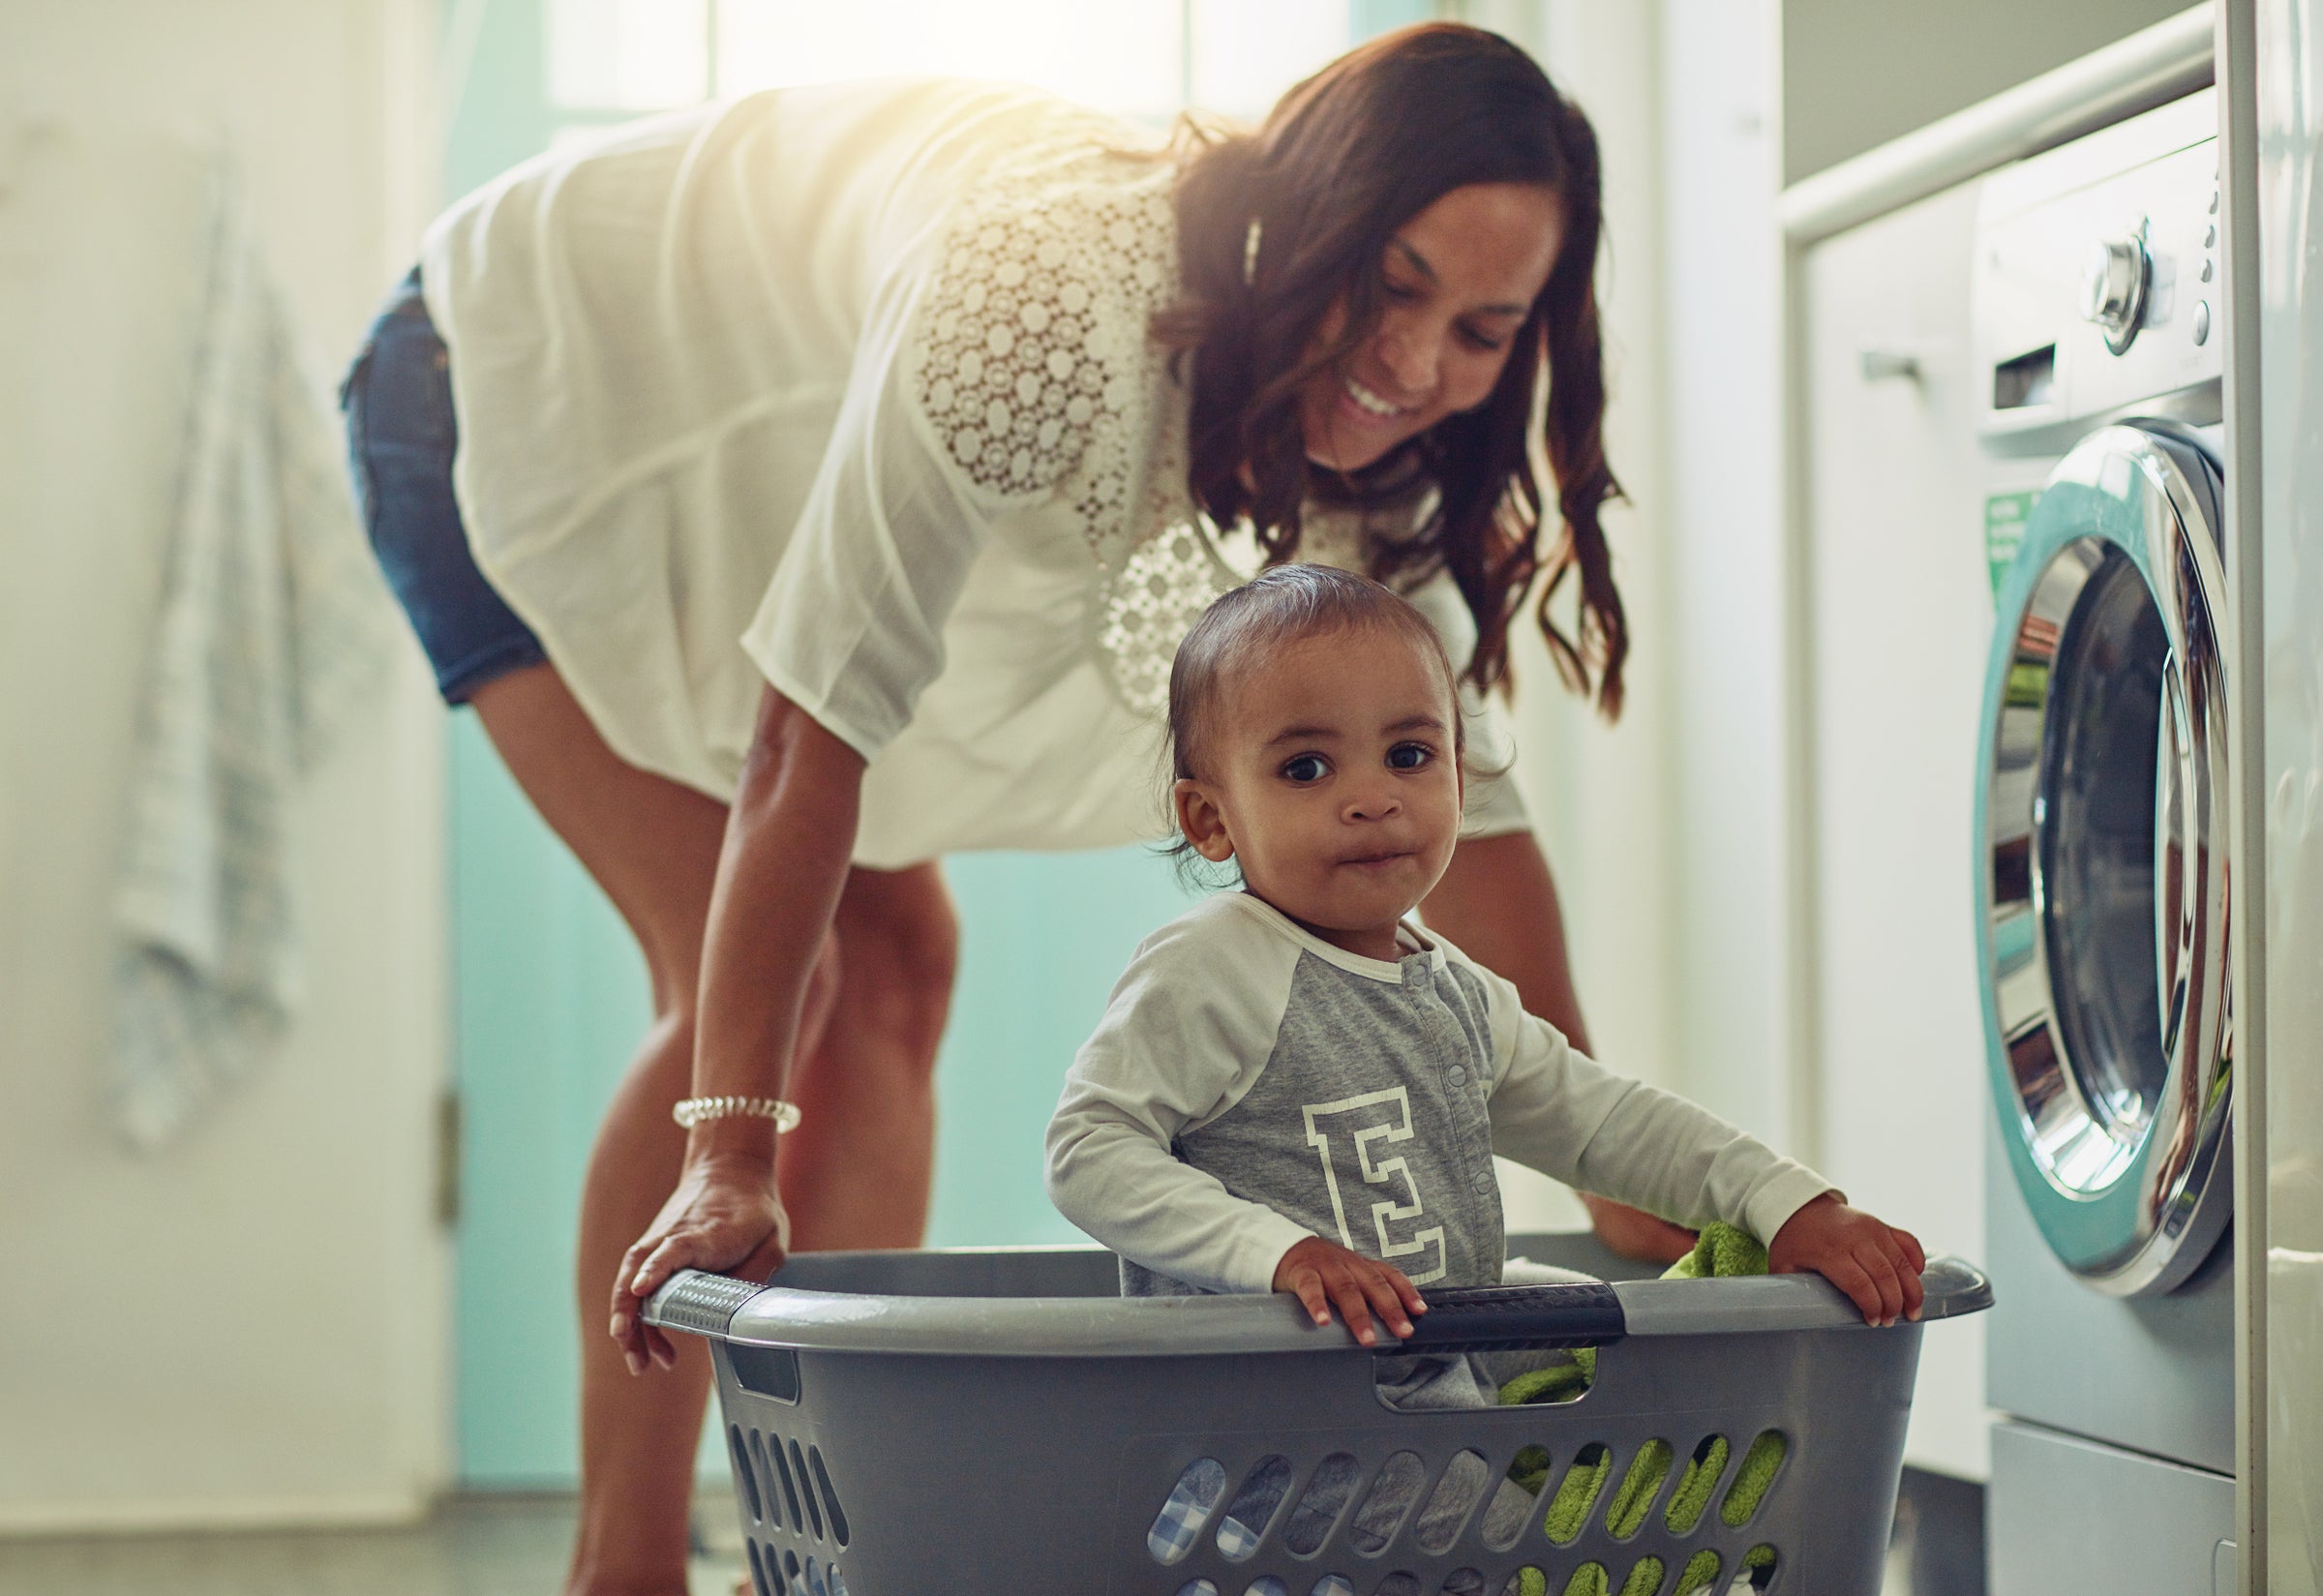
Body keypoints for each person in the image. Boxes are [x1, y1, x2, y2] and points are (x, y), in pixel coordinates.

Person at [342, 22, 1683, 1595]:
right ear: (1302, 212)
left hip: (760, 481)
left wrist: (1622, 1180)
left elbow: (1475, 817)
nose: (1417, 362)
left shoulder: (1390, 454)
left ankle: (845, 1547)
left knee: (899, 965)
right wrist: (727, 1155)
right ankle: (618, 1566)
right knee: (761, 1002)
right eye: (1390, 281)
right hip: (516, 396)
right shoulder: (1043, 296)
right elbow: (807, 735)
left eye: (1480, 326)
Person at [1045, 566, 1927, 1401]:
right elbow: (1090, 1146)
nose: (1373, 797)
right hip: (1276, 1417)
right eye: (1306, 768)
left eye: (1409, 753)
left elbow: (1601, 1119)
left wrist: (1786, 1202)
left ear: (1462, 778)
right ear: (1211, 817)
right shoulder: (1215, 965)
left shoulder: (1451, 991)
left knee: (1606, 1334)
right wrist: (1280, 1254)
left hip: (1430, 1379)